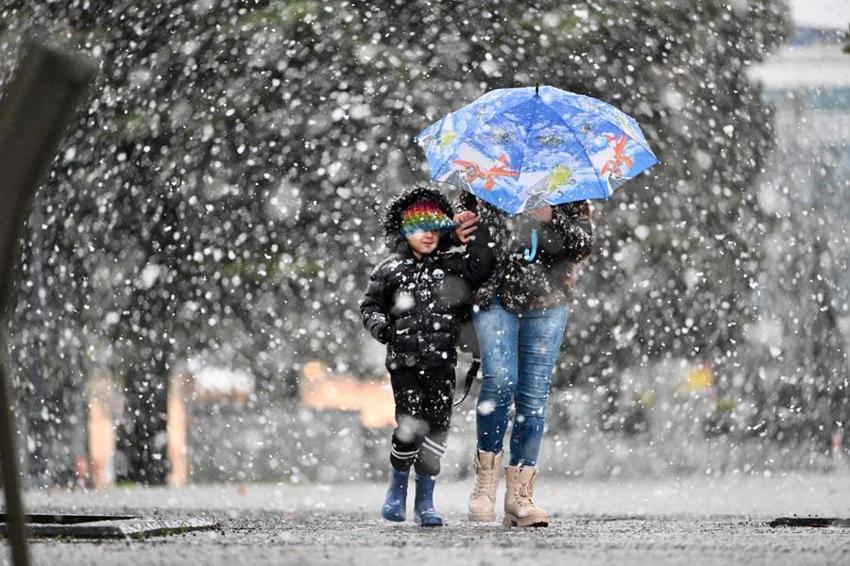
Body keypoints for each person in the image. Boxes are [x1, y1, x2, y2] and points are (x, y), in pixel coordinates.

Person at [454, 193, 594, 528]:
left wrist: (551, 217)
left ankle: (519, 497)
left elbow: (584, 243)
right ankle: (485, 485)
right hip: (495, 294)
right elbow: (462, 220)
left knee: (533, 398)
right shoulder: (487, 171)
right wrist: (455, 226)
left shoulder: (567, 183)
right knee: (501, 379)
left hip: (549, 298)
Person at [360, 185, 495, 527]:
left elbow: (481, 266)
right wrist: (382, 328)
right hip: (404, 361)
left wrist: (470, 229)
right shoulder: (389, 270)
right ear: (405, 231)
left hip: (441, 361)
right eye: (420, 229)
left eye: (435, 229)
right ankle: (397, 487)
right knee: (409, 424)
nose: (428, 236)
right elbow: (370, 305)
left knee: (437, 429)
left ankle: (425, 500)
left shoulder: (451, 265)